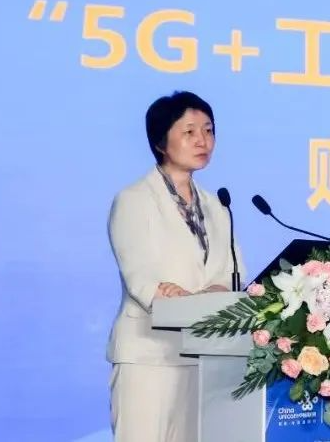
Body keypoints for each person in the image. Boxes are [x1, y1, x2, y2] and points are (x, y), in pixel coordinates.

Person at [106, 91, 247, 442]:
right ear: (160, 141)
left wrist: (213, 292)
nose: (203, 140)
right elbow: (139, 276)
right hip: (148, 355)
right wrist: (171, 295)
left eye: (209, 130)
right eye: (189, 131)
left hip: (205, 356)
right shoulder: (134, 199)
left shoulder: (217, 205)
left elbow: (233, 272)